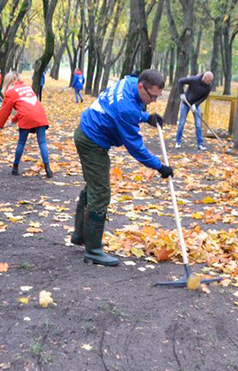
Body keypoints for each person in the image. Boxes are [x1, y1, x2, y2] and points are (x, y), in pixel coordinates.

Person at [72, 69, 174, 266]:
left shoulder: (129, 81)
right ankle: (93, 250)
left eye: (157, 97)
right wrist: (160, 166)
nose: (153, 101)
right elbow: (135, 147)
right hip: (92, 141)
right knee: (100, 191)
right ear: (140, 86)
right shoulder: (126, 106)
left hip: (88, 132)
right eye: (152, 96)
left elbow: (131, 109)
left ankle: (80, 235)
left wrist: (146, 117)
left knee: (94, 186)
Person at [0, 71, 53, 178]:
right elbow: (28, 106)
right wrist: (14, 120)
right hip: (40, 116)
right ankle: (48, 169)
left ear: (8, 81)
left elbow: (5, 111)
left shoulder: (11, 92)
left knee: (21, 143)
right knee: (42, 142)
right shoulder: (28, 87)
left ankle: (15, 168)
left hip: (27, 119)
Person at [175, 71, 214, 151]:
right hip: (186, 103)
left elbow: (204, 97)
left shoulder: (208, 86)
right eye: (209, 80)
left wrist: (195, 104)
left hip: (196, 105)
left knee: (198, 125)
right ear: (205, 78)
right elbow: (180, 81)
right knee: (181, 124)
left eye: (211, 80)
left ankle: (200, 144)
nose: (210, 82)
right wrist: (182, 94)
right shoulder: (194, 79)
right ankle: (178, 142)